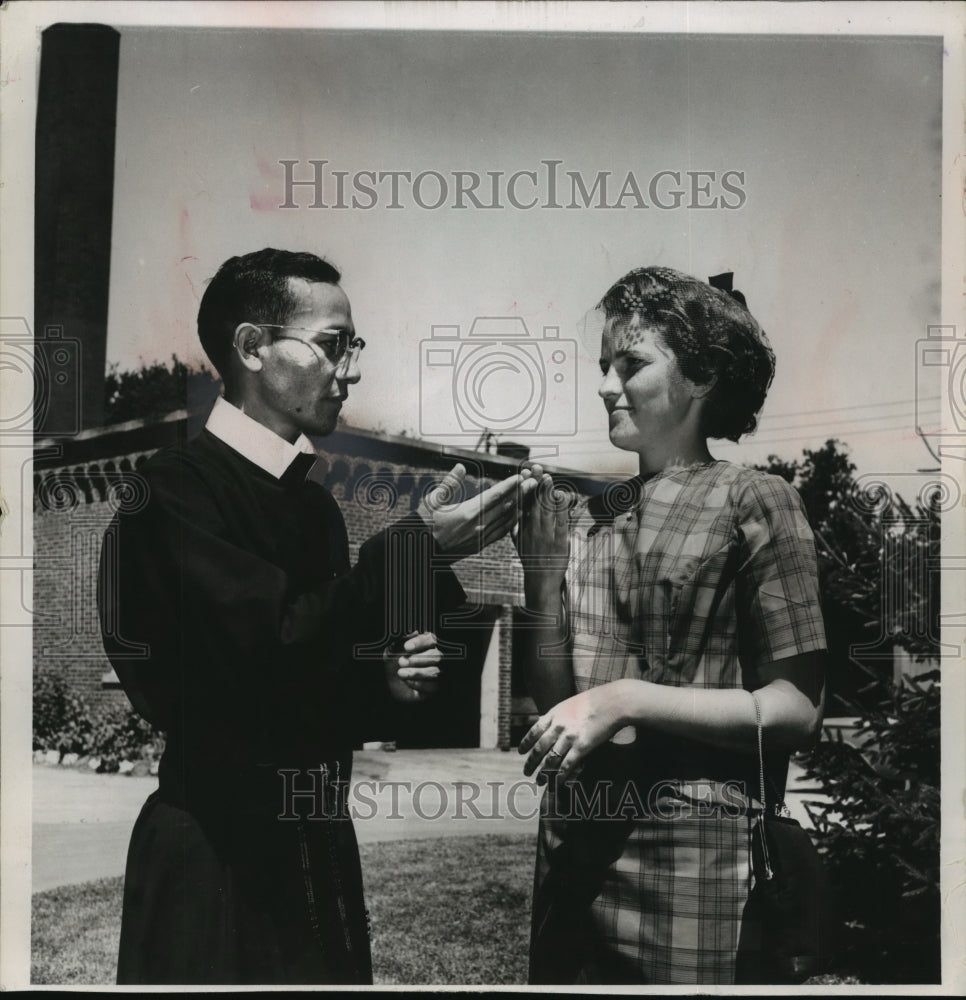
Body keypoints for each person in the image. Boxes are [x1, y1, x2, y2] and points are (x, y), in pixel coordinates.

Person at [97, 248, 534, 985]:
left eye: (352, 347)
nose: (352, 370)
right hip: (215, 860)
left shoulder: (314, 506)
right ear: (252, 348)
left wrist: (384, 680)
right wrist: (415, 551)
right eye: (333, 345)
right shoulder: (169, 494)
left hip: (318, 852)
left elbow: (310, 677)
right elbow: (263, 645)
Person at [514, 266, 827, 985]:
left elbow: (796, 709)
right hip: (574, 851)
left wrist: (625, 698)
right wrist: (539, 573)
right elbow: (557, 694)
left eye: (630, 363)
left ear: (704, 375)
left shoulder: (757, 500)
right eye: (602, 366)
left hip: (696, 868)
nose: (603, 384)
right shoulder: (592, 517)